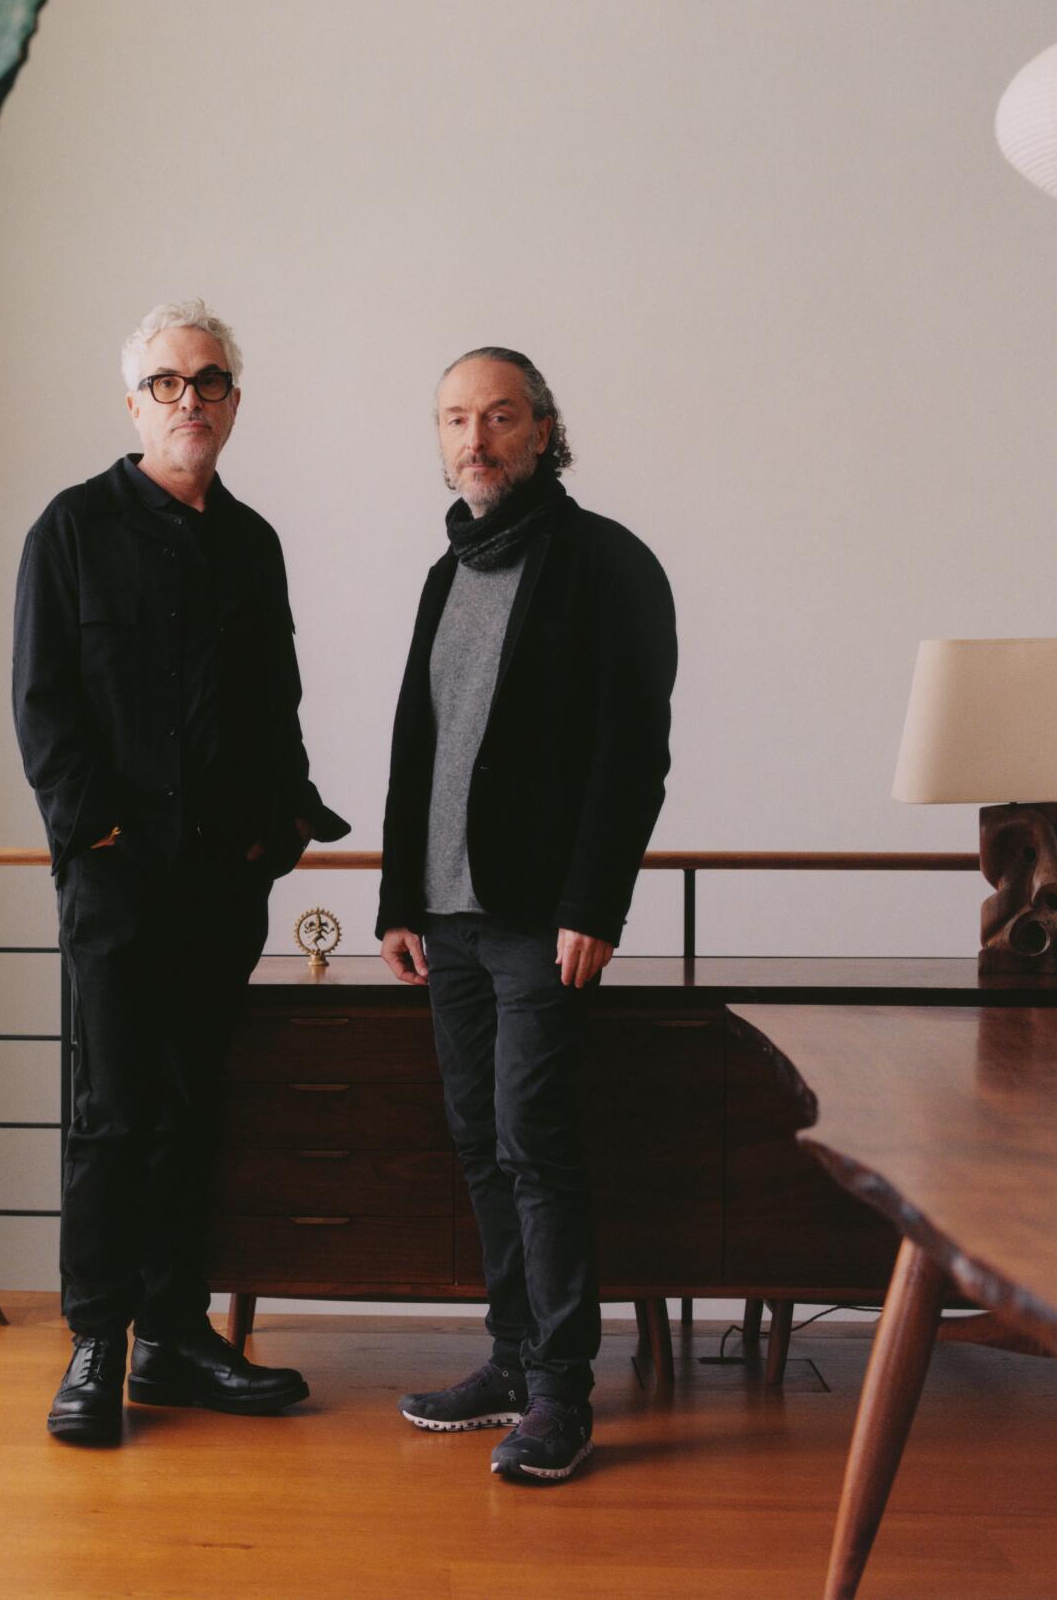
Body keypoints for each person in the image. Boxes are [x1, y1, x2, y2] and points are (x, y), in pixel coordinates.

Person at [12, 299, 348, 1445]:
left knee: (193, 1107)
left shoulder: (251, 541)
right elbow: (42, 701)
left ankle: (175, 1331)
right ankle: (96, 1340)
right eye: (166, 382)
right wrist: (90, 834)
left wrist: (277, 831)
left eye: (207, 381)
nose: (188, 399)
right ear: (133, 403)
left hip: (220, 879)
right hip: (114, 881)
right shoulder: (69, 529)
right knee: (112, 1112)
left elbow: (277, 699)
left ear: (234, 403)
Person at [376, 347, 675, 1483]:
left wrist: (593, 900)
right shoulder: (444, 573)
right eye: (455, 418)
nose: (475, 439)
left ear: (544, 428)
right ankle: (507, 1356)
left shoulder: (604, 564)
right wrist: (398, 895)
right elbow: (420, 740)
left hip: (539, 918)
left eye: (498, 416)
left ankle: (559, 1393)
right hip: (445, 919)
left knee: (532, 1144)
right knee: (475, 1140)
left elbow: (630, 751)